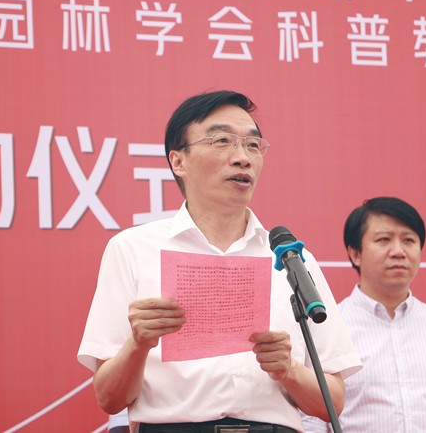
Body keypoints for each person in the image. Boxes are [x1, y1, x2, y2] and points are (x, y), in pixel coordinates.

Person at [77, 90, 361, 432]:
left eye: (253, 145)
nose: (243, 158)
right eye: (222, 141)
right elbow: (109, 398)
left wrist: (289, 370)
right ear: (178, 161)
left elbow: (333, 403)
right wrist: (139, 344)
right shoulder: (133, 249)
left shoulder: (290, 259)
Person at [316, 197, 426, 432]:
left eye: (409, 240)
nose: (398, 251)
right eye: (384, 240)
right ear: (355, 253)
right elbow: (312, 423)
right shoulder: (329, 329)